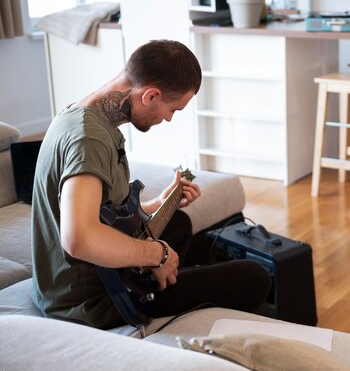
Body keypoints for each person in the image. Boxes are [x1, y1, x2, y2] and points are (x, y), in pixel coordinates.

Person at [31, 40, 271, 329]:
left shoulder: (83, 115)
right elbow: (78, 238)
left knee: (178, 221)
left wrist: (159, 204)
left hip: (99, 276)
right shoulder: (89, 140)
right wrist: (158, 254)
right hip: (91, 299)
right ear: (151, 95)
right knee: (254, 277)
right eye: (173, 109)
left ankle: (175, 286)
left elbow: (102, 213)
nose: (168, 119)